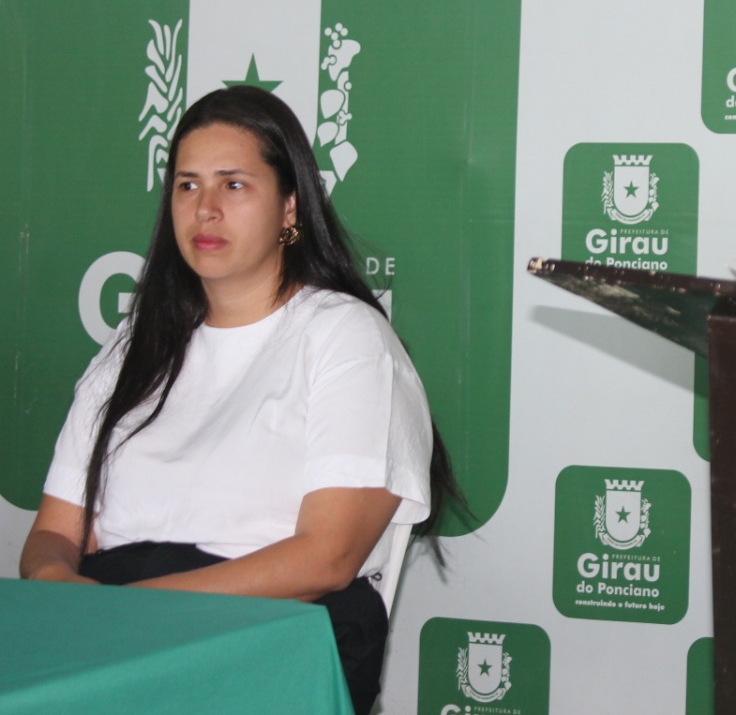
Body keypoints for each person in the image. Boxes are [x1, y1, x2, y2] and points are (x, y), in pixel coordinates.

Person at [19, 85, 457, 715]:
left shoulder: (344, 335)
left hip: (261, 646)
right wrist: (65, 588)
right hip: (113, 635)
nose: (205, 209)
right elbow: (52, 534)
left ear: (289, 207)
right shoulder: (130, 349)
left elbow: (327, 559)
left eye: (234, 185)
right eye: (187, 185)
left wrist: (136, 611)